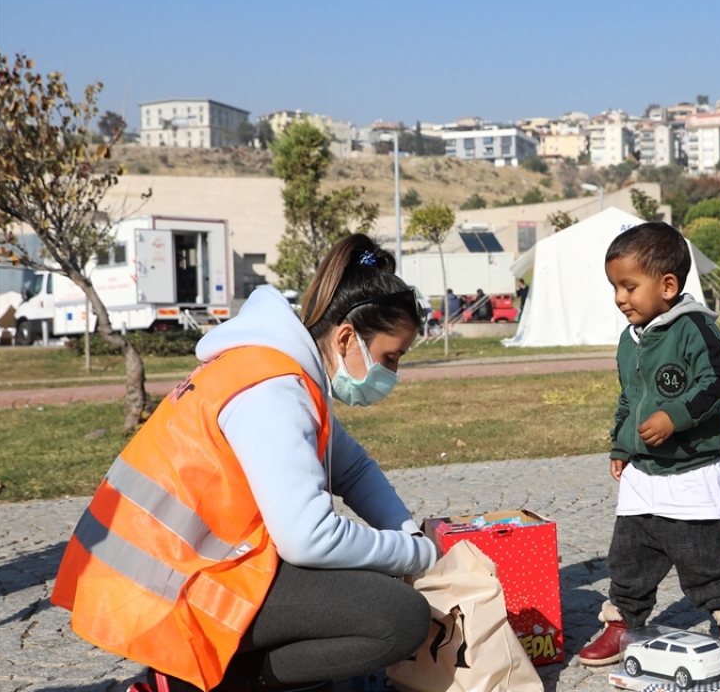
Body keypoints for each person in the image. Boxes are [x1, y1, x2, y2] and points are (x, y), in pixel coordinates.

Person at [52, 234, 436, 692]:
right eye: (389, 357)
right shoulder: (273, 392)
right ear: (347, 336)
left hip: (182, 571)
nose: (391, 373)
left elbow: (352, 469)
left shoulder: (277, 371)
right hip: (166, 591)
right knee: (398, 617)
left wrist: (407, 530)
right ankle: (185, 682)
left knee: (361, 579)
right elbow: (309, 540)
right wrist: (420, 553)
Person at [579, 222, 720, 670]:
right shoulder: (630, 340)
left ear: (667, 286)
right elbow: (628, 397)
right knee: (627, 555)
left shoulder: (695, 329)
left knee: (703, 556)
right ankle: (622, 619)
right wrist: (621, 445)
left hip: (690, 472)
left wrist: (675, 416)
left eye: (629, 286)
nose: (620, 298)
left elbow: (718, 382)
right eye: (614, 288)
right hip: (643, 475)